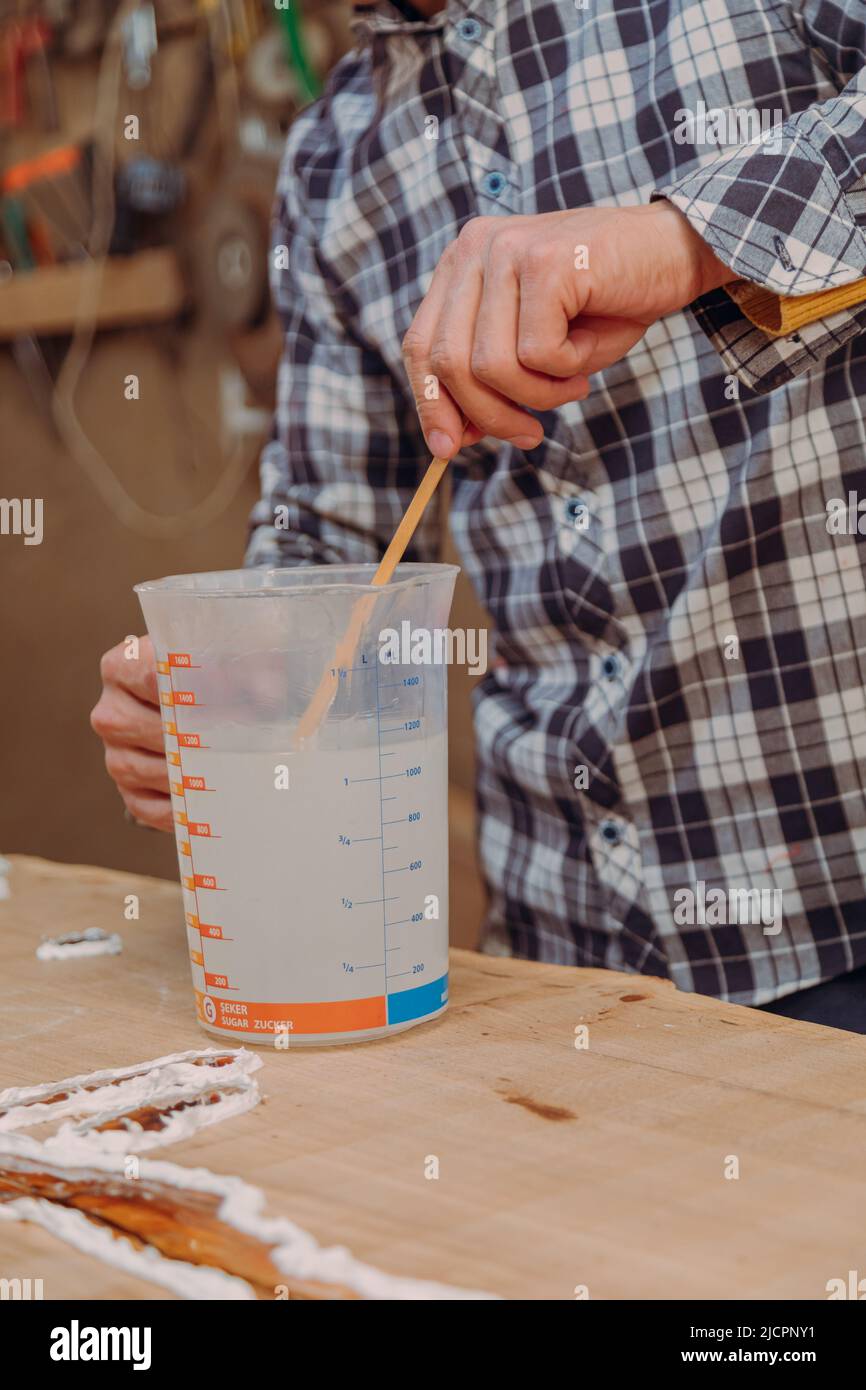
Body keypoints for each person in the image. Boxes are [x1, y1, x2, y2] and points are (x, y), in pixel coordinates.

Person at [92, 0, 866, 1031]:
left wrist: (686, 236)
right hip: (555, 964)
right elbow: (326, 533)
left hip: (833, 907)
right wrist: (227, 686)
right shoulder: (330, 154)